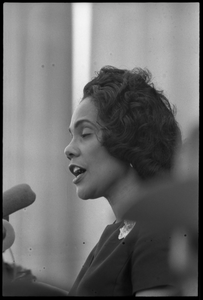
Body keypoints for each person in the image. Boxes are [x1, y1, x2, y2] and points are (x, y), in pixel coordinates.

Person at [64, 66, 182, 296]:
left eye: (85, 134)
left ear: (128, 139)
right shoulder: (116, 231)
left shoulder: (158, 228)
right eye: (71, 135)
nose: (68, 149)